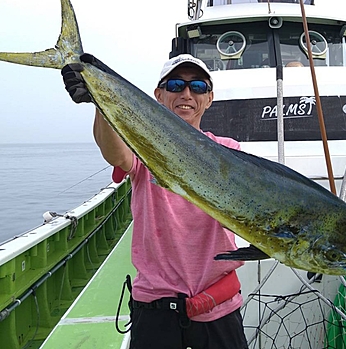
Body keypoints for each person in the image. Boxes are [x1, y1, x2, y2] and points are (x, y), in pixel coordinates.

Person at [62, 53, 247, 349]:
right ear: (159, 95)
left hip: (217, 307)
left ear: (209, 98)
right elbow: (115, 154)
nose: (187, 94)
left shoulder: (228, 150)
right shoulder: (141, 146)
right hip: (156, 309)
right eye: (176, 85)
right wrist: (99, 100)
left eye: (197, 87)